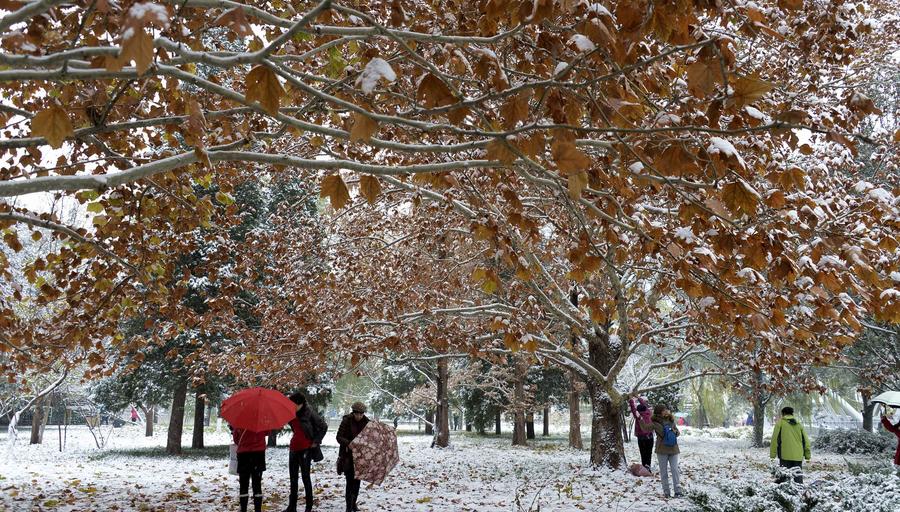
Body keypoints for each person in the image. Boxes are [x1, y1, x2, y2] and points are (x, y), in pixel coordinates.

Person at [284, 393, 328, 512]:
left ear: (301, 404)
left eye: (294, 405)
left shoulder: (309, 413)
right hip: (293, 448)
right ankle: (292, 506)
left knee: (305, 477)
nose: (292, 406)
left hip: (305, 449)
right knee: (293, 479)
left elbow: (324, 426)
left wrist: (316, 441)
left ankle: (308, 507)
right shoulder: (291, 413)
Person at [640, 404, 682, 498]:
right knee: (663, 472)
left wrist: (674, 431)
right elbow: (645, 428)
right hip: (661, 450)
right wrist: (640, 419)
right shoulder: (655, 422)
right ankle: (666, 492)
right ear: (659, 412)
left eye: (666, 409)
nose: (666, 411)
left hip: (673, 448)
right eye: (664, 410)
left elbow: (678, 432)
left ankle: (678, 491)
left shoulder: (671, 420)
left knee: (675, 470)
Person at [336, 402, 370, 512]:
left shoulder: (367, 422)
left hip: (361, 456)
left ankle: (354, 503)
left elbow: (370, 438)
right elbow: (339, 437)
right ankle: (348, 507)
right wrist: (348, 443)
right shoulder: (346, 421)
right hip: (348, 456)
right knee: (350, 481)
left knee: (357, 481)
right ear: (353, 412)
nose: (359, 416)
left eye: (361, 414)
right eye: (357, 414)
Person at [770, 406, 811, 483]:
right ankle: (800, 492)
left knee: (784, 477)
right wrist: (807, 456)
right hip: (798, 456)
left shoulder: (780, 424)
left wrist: (772, 455)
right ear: (792, 414)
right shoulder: (799, 424)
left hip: (784, 455)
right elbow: (806, 441)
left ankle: (784, 492)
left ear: (783, 414)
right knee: (798, 478)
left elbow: (774, 440)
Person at [233, 426, 269, 512]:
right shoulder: (261, 419)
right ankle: (257, 509)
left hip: (244, 455)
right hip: (259, 454)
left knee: (243, 484)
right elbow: (267, 432)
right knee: (257, 484)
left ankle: (243, 508)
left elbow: (236, 439)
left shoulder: (240, 420)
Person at [628, 396, 654, 472]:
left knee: (643, 452)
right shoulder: (649, 413)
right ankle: (648, 466)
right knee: (649, 452)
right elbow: (645, 405)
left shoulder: (639, 416)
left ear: (638, 410)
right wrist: (639, 398)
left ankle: (644, 467)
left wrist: (631, 401)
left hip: (641, 437)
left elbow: (633, 409)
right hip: (650, 436)